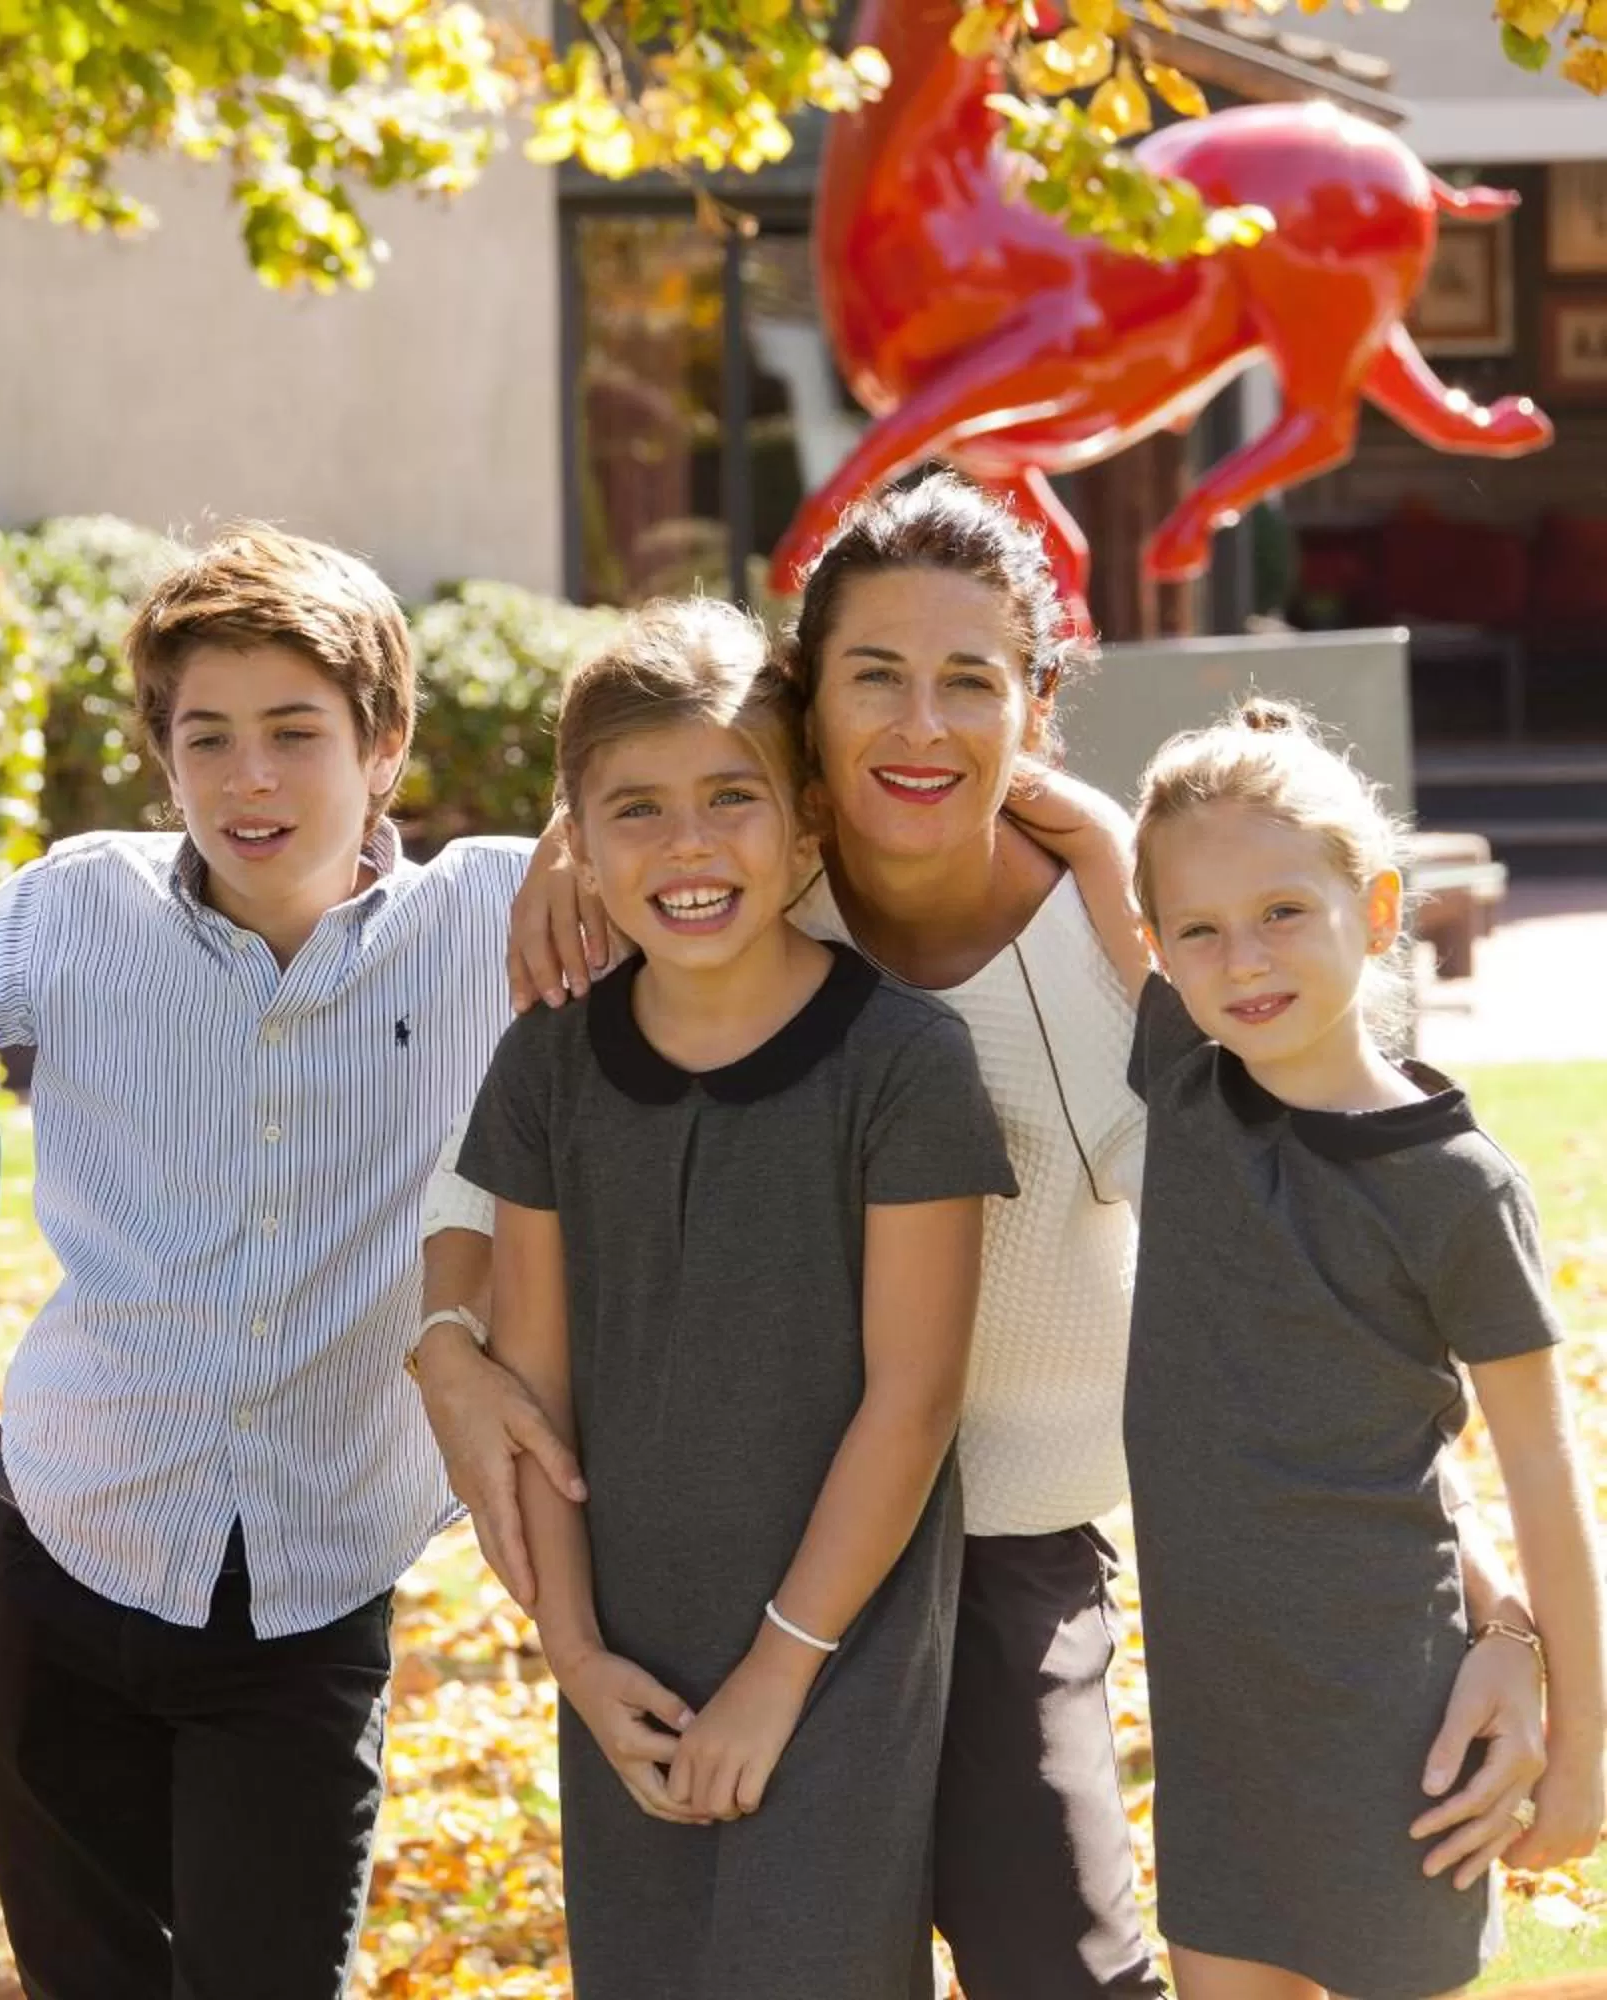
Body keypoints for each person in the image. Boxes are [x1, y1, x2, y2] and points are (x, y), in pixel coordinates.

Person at [418, 471, 1553, 1995]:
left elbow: (1312, 1305)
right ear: (803, 704)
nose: (922, 726)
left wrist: (1500, 1615)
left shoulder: (1119, 960)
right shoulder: (721, 892)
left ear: (1036, 710)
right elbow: (509, 1166)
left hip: (1014, 1555)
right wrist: (446, 1340)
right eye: (874, 677)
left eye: (971, 681)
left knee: (1060, 1967)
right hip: (739, 1551)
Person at [0, 523, 544, 1998]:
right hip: (62, 1556)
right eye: (205, 736)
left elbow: (720, 845)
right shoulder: (74, 908)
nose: (247, 778)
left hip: (311, 1589)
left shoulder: (496, 914)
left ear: (383, 746)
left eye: (294, 732)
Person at [456, 598, 1008, 1994]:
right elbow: (533, 1389)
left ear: (808, 825)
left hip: (840, 1640)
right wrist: (576, 1657)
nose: (688, 845)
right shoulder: (545, 1067)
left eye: (730, 798)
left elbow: (915, 1396)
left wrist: (778, 1671)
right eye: (636, 809)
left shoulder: (904, 1061)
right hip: (625, 1652)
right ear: (578, 844)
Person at [1114, 699, 1604, 2000]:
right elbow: (1058, 820)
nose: (1244, 958)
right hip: (1216, 1732)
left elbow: (1545, 1473)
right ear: (1157, 951)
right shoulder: (1183, 1080)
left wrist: (1581, 1750)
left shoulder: (1457, 1186)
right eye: (1200, 930)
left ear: (1379, 911)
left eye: (1284, 911)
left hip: (1399, 1728)